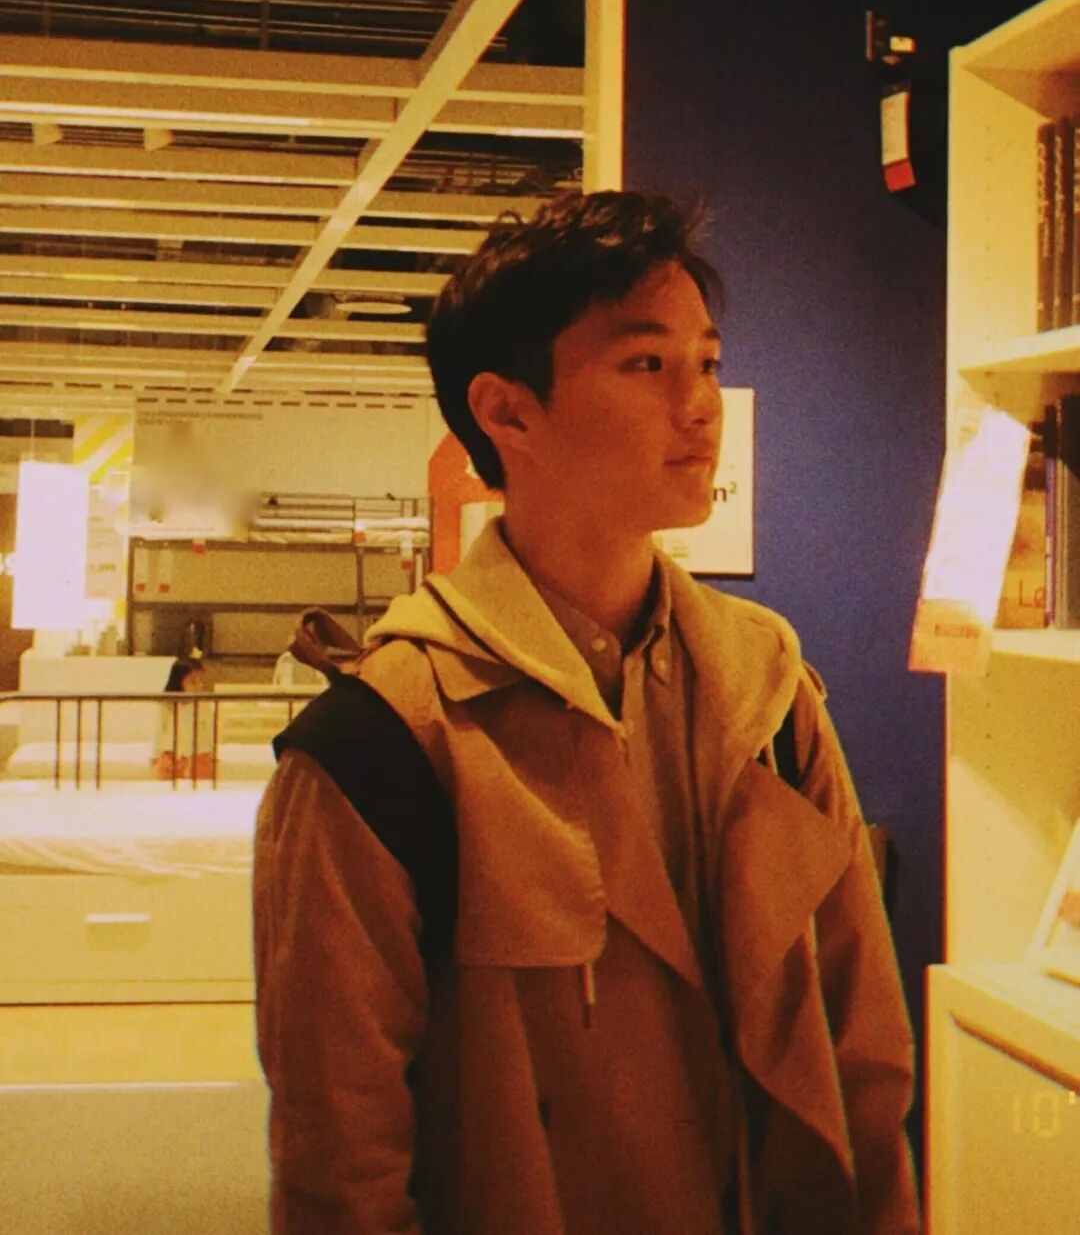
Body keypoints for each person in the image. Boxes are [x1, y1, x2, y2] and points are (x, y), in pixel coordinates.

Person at [252, 191, 921, 1234]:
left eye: (707, 362)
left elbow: (863, 1057)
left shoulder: (769, 689)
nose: (701, 406)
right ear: (507, 411)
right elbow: (340, 1162)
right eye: (646, 364)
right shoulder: (380, 742)